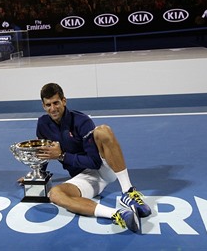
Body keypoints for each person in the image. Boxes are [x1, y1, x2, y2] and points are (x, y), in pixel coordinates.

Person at [24, 82, 152, 232]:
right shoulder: (42, 124)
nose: (53, 109)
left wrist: (62, 155)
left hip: (104, 168)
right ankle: (119, 214)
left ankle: (128, 192)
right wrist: (37, 174)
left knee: (103, 131)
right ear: (43, 106)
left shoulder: (82, 121)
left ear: (64, 101)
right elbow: (44, 151)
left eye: (56, 103)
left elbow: (95, 162)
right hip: (86, 179)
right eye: (48, 105)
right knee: (55, 195)